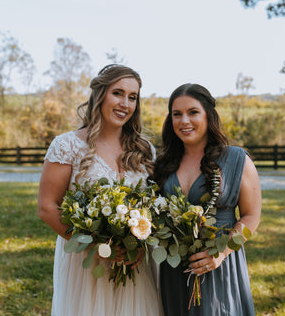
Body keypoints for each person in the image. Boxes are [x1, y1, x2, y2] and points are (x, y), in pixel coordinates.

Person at [37, 64, 163, 316]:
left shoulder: (144, 149)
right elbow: (47, 207)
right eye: (118, 93)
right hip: (86, 264)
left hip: (134, 261)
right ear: (100, 94)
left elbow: (152, 203)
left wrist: (137, 242)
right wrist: (95, 246)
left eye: (133, 97)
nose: (125, 104)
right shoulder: (67, 146)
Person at [151, 83, 261, 316]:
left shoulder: (236, 159)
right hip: (175, 269)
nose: (184, 121)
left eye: (193, 112)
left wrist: (221, 253)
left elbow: (251, 216)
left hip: (219, 266)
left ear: (208, 115)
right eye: (177, 114)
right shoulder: (163, 164)